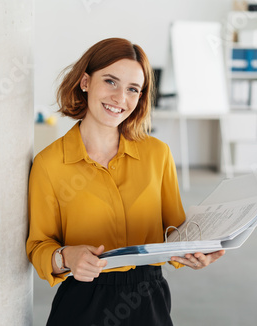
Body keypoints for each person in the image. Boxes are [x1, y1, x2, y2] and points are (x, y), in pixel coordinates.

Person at [26, 37, 225, 325]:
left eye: (133, 89)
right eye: (110, 82)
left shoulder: (158, 154)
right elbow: (38, 245)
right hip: (82, 301)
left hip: (149, 300)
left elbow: (174, 231)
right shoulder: (49, 164)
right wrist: (67, 257)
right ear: (85, 82)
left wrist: (192, 252)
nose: (120, 98)